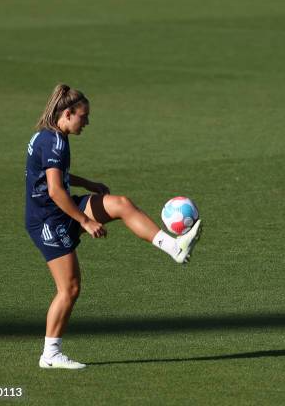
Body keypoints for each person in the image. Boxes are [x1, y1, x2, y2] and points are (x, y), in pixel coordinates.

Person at [25, 84, 202, 369]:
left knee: (120, 204)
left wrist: (87, 184)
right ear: (68, 113)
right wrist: (86, 221)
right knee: (69, 289)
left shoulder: (47, 136)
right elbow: (56, 192)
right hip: (48, 220)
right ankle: (50, 354)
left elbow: (52, 176)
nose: (87, 122)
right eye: (84, 117)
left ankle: (175, 247)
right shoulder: (55, 142)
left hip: (62, 208)